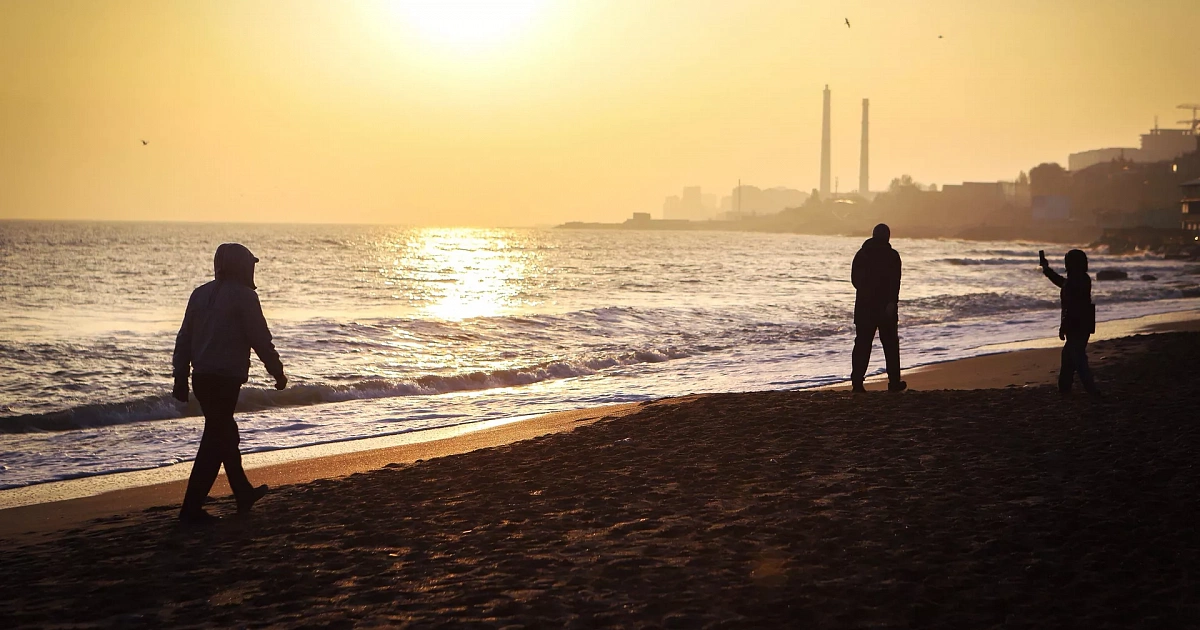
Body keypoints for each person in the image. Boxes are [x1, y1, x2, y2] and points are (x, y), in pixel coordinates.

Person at [173, 243, 287, 523]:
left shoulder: (199, 294)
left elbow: (184, 339)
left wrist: (180, 377)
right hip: (225, 380)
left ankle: (242, 492)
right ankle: (191, 509)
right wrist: (277, 371)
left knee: (223, 436)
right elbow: (259, 338)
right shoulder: (245, 297)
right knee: (216, 440)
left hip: (202, 379)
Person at [850, 223, 906, 393]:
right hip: (885, 308)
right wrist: (891, 302)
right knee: (890, 346)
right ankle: (894, 383)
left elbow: (855, 280)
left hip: (864, 307)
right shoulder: (892, 256)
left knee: (862, 344)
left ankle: (857, 383)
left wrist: (867, 292)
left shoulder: (862, 254)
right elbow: (895, 283)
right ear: (888, 237)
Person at [1039, 249, 1099, 395]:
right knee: (1069, 357)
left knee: (1077, 358)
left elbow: (1072, 306)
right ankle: (1065, 389)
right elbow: (1062, 283)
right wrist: (1046, 269)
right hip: (1083, 323)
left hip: (1076, 324)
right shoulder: (1082, 278)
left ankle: (1092, 391)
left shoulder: (1075, 280)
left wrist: (1063, 327)